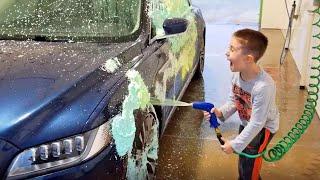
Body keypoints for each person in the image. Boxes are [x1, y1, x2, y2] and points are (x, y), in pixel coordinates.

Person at [203, 28, 279, 180]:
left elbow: (257, 123)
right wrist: (219, 112)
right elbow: (234, 101)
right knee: (244, 163)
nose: (226, 53)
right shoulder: (238, 76)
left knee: (250, 168)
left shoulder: (263, 86)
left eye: (232, 49)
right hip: (247, 123)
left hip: (262, 129)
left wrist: (235, 144)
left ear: (248, 59)